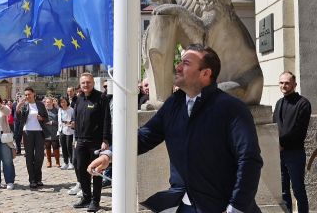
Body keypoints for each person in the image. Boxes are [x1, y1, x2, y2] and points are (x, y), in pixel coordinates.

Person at [88, 44, 263, 213]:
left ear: (205, 73)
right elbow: (145, 136)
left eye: (186, 63)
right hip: (182, 205)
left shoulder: (232, 109)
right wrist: (110, 155)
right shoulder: (174, 103)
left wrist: (235, 208)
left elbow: (248, 160)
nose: (178, 67)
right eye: (180, 61)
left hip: (220, 206)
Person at [73, 72, 111, 212]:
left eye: (88, 82)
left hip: (96, 142)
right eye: (83, 83)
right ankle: (86, 197)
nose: (85, 85)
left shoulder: (101, 97)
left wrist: (105, 140)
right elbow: (77, 120)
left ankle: (95, 201)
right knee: (81, 170)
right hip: (81, 141)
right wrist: (76, 138)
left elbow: (107, 120)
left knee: (96, 171)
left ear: (93, 83)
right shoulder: (79, 98)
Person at [273, 71, 311, 213]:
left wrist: (281, 144)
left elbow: (299, 132)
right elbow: (274, 128)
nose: (284, 85)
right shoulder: (278, 103)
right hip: (279, 154)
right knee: (283, 192)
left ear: (294, 84)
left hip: (294, 153)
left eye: (287, 83)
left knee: (298, 189)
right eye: (281, 82)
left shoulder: (303, 104)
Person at [16, 87, 49, 189]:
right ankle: (32, 180)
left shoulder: (40, 104)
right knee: (29, 156)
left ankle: (38, 178)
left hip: (39, 132)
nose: (27, 96)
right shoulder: (25, 105)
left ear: (34, 94)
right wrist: (18, 109)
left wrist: (41, 118)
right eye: (25, 95)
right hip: (28, 132)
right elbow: (20, 119)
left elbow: (46, 118)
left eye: (29, 94)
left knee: (39, 156)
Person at [58, 97, 74, 170]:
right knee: (63, 147)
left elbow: (74, 119)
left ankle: (71, 162)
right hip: (62, 130)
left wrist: (71, 123)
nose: (63, 104)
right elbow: (59, 121)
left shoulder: (71, 110)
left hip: (69, 130)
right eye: (61, 102)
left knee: (69, 147)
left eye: (64, 102)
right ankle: (65, 162)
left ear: (67, 102)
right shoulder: (60, 110)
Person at [43, 97, 60, 168]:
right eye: (47, 102)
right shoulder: (43, 111)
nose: (48, 103)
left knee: (55, 146)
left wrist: (52, 122)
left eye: (49, 102)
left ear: (52, 102)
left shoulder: (57, 110)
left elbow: (60, 121)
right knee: (47, 147)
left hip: (54, 131)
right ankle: (49, 161)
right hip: (46, 132)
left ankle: (57, 161)